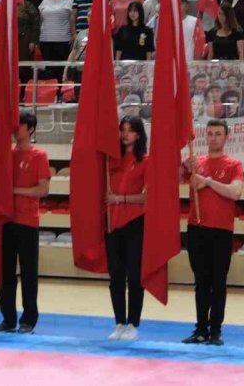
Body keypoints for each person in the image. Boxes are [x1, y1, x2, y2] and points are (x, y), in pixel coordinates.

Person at [0, 111, 50, 333]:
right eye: (14, 127)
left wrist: (13, 191)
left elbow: (43, 190)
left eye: (20, 127)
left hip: (27, 221)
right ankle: (8, 319)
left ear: (31, 129)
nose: (17, 131)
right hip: (5, 220)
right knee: (5, 272)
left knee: (28, 273)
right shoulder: (6, 151)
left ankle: (28, 319)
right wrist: (2, 132)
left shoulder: (39, 155)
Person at [180, 120, 243, 346]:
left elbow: (235, 192)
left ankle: (215, 330)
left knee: (218, 281)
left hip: (221, 230)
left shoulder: (234, 164)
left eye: (218, 134)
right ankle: (200, 329)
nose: (213, 138)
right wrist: (184, 167)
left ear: (226, 137)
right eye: (210, 134)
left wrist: (207, 181)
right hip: (197, 228)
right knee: (201, 281)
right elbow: (177, 179)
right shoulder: (197, 162)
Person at [105, 116, 149, 341]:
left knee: (134, 276)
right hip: (113, 223)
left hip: (134, 222)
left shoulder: (145, 160)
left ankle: (133, 323)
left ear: (139, 134)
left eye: (130, 131)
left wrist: (120, 198)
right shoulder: (112, 161)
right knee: (115, 277)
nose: (125, 135)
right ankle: (119, 322)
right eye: (122, 130)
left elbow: (147, 196)